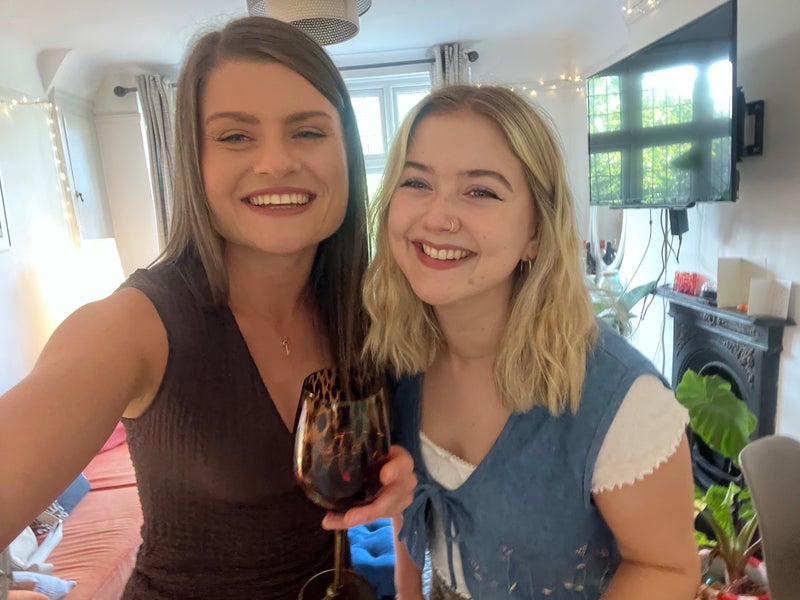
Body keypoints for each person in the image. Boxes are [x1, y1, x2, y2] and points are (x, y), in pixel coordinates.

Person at [0, 16, 416, 598]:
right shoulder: (130, 328)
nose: (276, 162)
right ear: (193, 163)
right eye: (236, 136)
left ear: (347, 151)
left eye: (308, 131)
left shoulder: (369, 311)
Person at [362, 85, 700, 599]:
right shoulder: (398, 357)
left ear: (536, 233)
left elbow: (667, 568)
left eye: (481, 191)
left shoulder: (620, 399)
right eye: (416, 182)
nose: (436, 216)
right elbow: (410, 509)